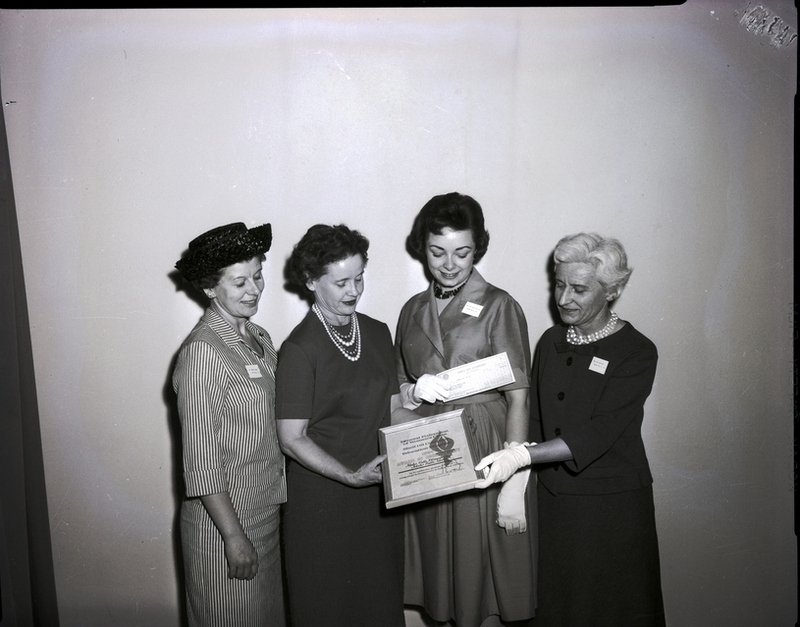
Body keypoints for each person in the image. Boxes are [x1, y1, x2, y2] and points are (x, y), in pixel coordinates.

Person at [475, 232, 666, 627]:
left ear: (611, 291)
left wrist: (521, 456)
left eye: (579, 289)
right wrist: (517, 481)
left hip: (610, 508)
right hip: (555, 504)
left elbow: (598, 433)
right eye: (559, 284)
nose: (563, 299)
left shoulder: (637, 351)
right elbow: (535, 419)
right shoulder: (550, 340)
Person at [394, 192, 536, 627]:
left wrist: (514, 476)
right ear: (423, 248)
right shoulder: (412, 309)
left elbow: (518, 396)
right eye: (437, 252)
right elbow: (398, 386)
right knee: (440, 575)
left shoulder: (499, 305)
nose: (449, 264)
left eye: (462, 252)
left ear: (478, 249)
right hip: (427, 446)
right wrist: (412, 390)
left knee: (480, 576)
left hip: (483, 446)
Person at [275, 224, 410, 627]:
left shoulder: (378, 332)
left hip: (378, 498)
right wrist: (350, 476)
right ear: (310, 281)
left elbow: (393, 410)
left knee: (379, 606)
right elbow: (291, 439)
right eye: (341, 283)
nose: (353, 291)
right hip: (323, 505)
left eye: (359, 278)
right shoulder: (299, 348)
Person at [172, 222, 286, 627]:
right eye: (239, 282)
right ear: (209, 288)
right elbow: (201, 462)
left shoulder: (259, 337)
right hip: (225, 527)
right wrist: (234, 537)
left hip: (265, 513)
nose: (254, 289)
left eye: (258, 275)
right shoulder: (203, 352)